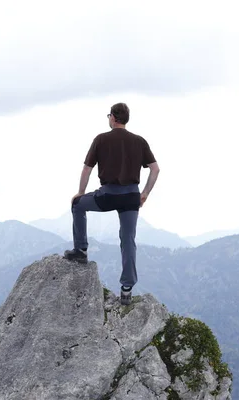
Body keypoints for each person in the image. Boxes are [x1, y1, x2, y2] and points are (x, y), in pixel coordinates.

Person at [63, 102, 160, 305]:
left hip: (108, 195)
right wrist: (145, 194)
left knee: (78, 205)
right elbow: (155, 169)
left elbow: (87, 170)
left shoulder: (101, 139)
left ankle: (80, 250)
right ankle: (127, 288)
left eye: (109, 116)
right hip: (131, 197)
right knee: (127, 239)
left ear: (113, 118)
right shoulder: (139, 141)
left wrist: (80, 193)